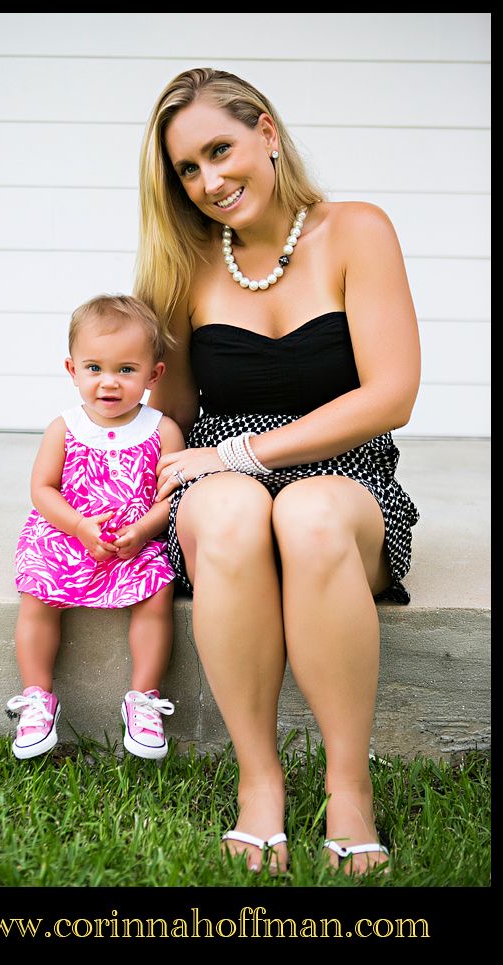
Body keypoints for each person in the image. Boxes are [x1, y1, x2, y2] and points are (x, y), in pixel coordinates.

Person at [134, 67, 420, 875]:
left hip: (347, 478)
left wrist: (245, 452)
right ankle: (260, 783)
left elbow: (392, 394)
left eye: (219, 150)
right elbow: (176, 415)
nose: (209, 182)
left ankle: (348, 786)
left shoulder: (356, 229)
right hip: (220, 487)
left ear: (265, 130)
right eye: (188, 170)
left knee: (310, 512)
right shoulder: (184, 262)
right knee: (228, 510)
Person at [8, 294, 185, 762]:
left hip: (134, 540)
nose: (109, 382)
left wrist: (144, 530)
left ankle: (144, 698)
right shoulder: (63, 427)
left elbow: (172, 497)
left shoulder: (161, 429)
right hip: (66, 535)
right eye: (94, 368)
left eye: (127, 370)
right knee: (37, 591)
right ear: (72, 369)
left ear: (153, 375)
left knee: (157, 590)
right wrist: (80, 527)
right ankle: (36, 697)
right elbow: (43, 490)